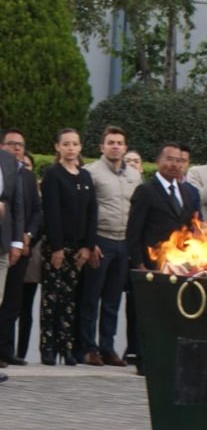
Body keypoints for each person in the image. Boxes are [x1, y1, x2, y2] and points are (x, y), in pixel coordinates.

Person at [79, 125, 143, 367]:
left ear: (125, 147)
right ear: (102, 147)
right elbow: (86, 210)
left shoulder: (134, 175)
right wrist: (90, 242)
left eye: (119, 143)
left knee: (113, 299)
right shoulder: (91, 173)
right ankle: (88, 347)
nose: (115, 146)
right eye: (111, 142)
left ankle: (108, 347)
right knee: (91, 297)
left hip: (123, 242)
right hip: (100, 240)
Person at [39, 128, 97, 366]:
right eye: (66, 144)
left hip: (78, 247)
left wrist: (88, 246)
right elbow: (51, 213)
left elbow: (92, 211)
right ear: (58, 147)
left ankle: (68, 347)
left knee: (70, 299)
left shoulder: (85, 176)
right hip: (57, 247)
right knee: (52, 298)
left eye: (75, 144)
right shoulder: (53, 174)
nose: (71, 148)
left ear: (80, 147)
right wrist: (57, 247)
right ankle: (48, 347)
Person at [0, 130, 42, 367]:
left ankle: (6, 350)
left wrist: (24, 238)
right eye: (11, 144)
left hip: (17, 245)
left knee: (11, 302)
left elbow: (30, 209)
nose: (16, 148)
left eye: (21, 145)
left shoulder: (24, 175)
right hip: (5, 242)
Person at [126, 143, 198, 271]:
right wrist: (139, 264)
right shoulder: (145, 191)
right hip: (152, 263)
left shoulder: (185, 192)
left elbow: (188, 226)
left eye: (178, 160)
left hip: (179, 264)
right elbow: (133, 231)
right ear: (158, 161)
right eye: (169, 159)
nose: (174, 164)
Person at [16, 154, 42, 363]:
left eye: (27, 164)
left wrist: (28, 240)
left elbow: (38, 217)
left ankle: (21, 352)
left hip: (30, 257)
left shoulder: (34, 189)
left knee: (26, 310)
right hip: (12, 251)